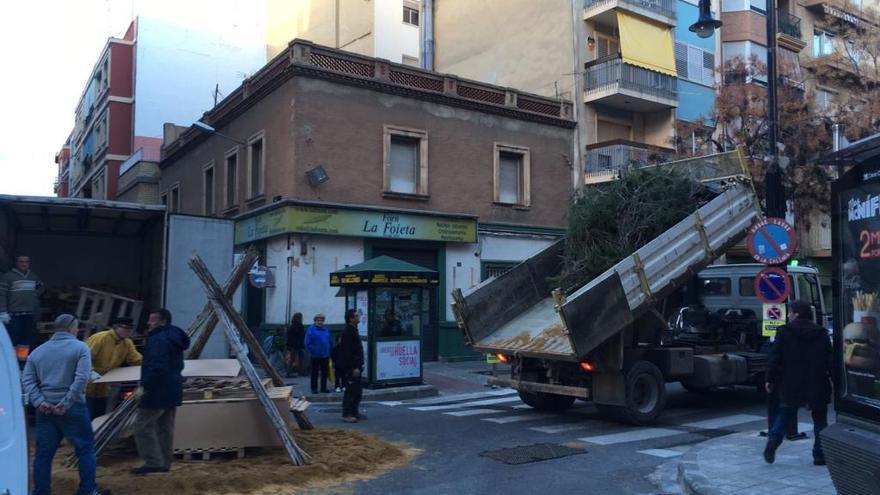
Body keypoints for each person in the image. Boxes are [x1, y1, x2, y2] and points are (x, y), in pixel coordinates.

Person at [22, 314, 110, 495]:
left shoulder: (38, 352)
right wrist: (66, 402)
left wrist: (40, 402)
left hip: (45, 409)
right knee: (85, 449)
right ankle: (87, 490)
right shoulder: (80, 348)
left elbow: (27, 380)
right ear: (71, 327)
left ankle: (41, 491)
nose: (77, 331)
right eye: (77, 327)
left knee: (43, 455)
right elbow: (82, 378)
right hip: (73, 408)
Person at [763, 300, 832, 466]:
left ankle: (774, 440)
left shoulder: (784, 332)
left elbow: (775, 358)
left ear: (797, 314)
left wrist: (769, 378)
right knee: (820, 419)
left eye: (791, 312)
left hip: (791, 382)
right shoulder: (821, 333)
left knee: (785, 413)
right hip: (817, 381)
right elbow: (830, 360)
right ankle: (819, 455)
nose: (788, 315)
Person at [131, 309, 190, 475]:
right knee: (165, 427)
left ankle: (153, 462)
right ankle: (164, 463)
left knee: (141, 426)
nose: (149, 323)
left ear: (162, 321)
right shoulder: (174, 336)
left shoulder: (158, 340)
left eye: (152, 320)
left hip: (157, 390)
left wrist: (143, 388)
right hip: (172, 388)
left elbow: (157, 366)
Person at [86, 317, 143, 418]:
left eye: (130, 329)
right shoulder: (100, 338)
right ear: (116, 327)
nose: (128, 331)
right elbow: (85, 358)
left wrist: (150, 364)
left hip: (105, 387)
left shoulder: (127, 343)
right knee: (87, 415)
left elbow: (136, 359)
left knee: (99, 414)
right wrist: (91, 373)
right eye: (126, 328)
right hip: (88, 385)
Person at [0, 254, 44, 367]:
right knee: (13, 340)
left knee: (25, 342)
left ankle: (21, 364)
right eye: (21, 261)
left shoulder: (33, 276)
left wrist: (34, 295)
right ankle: (9, 364)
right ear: (16, 263)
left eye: (26, 262)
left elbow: (41, 287)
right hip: (13, 314)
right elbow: (2, 295)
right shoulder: (8, 277)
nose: (24, 264)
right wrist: (3, 312)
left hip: (29, 314)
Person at [339, 309, 365, 423]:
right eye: (356, 316)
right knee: (350, 390)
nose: (358, 317)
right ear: (351, 319)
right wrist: (354, 367)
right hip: (351, 367)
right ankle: (347, 413)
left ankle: (354, 411)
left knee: (357, 390)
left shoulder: (353, 330)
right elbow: (348, 352)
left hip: (357, 365)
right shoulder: (348, 332)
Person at [305, 313, 331, 394]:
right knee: (314, 373)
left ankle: (323, 388)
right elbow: (307, 343)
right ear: (315, 321)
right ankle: (314, 388)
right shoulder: (311, 330)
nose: (320, 322)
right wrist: (314, 350)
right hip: (315, 355)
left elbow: (329, 341)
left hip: (325, 355)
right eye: (318, 320)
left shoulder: (326, 329)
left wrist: (330, 349)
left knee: (324, 373)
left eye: (322, 320)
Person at [285, 313, 306, 378]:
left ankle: (290, 373)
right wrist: (302, 345)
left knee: (293, 359)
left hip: (292, 345)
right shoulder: (300, 326)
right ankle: (297, 372)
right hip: (297, 345)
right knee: (299, 358)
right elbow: (301, 336)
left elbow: (289, 336)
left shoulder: (292, 326)